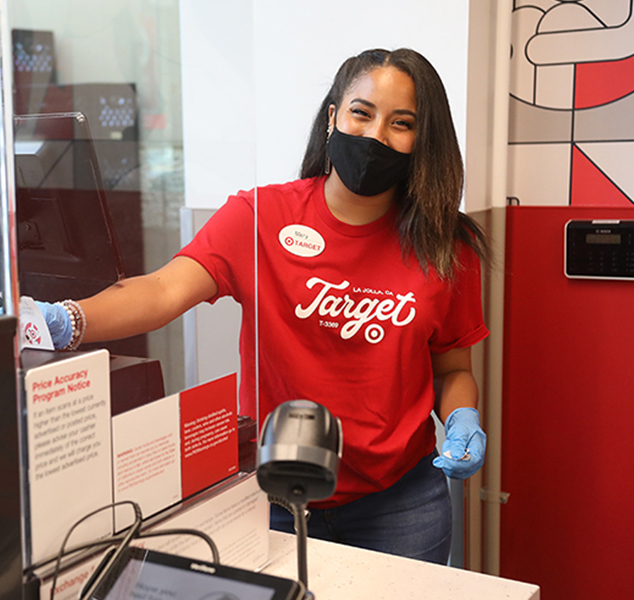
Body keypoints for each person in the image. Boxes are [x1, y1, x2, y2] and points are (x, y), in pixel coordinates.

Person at [38, 48, 489, 564]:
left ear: (421, 140)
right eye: (361, 113)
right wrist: (66, 320)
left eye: (401, 123)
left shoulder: (444, 244)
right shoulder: (259, 217)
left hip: (401, 504)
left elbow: (452, 368)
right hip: (274, 493)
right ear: (332, 117)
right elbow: (163, 291)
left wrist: (462, 418)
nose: (375, 135)